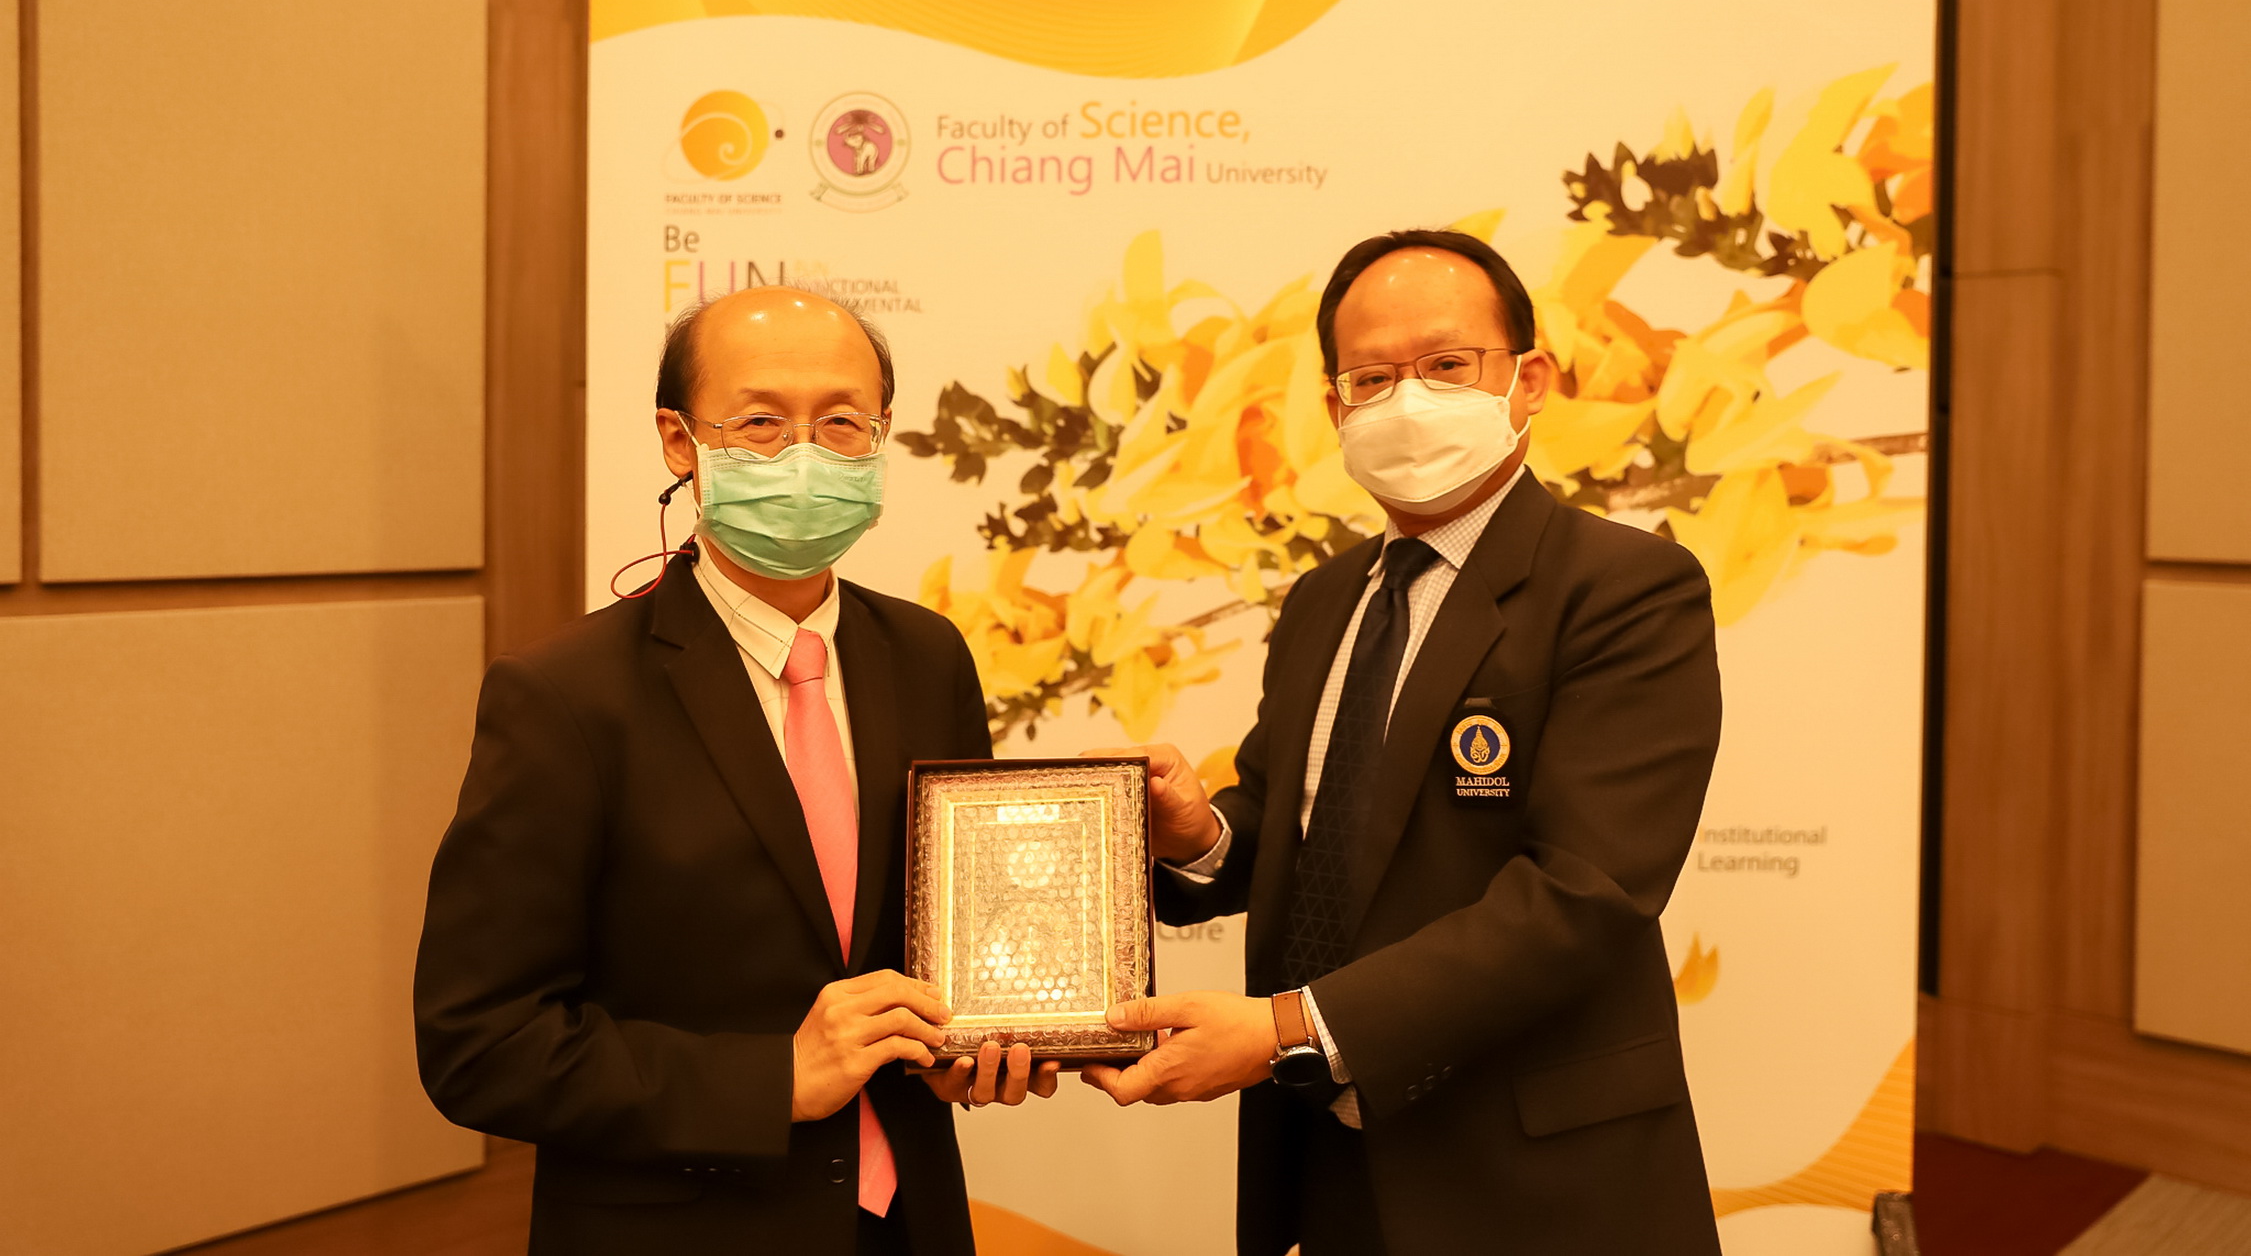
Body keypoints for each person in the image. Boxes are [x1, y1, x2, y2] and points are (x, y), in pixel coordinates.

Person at [1080, 230, 1725, 1255]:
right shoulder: (1323, 600)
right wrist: (1200, 834)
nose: (1407, 401)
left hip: (1534, 1179)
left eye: (1445, 365)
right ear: (1336, 408)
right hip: (1330, 1160)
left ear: (1527, 380)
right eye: (1373, 378)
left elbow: (1584, 895)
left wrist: (1285, 1028)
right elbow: (1303, 823)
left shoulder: (1623, 588)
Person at [414, 287, 1054, 1256]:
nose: (804, 454)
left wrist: (966, 1045)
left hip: (908, 1222)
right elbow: (480, 1045)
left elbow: (948, 949)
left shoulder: (928, 657)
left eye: (840, 423)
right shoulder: (565, 697)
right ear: (680, 441)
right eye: (760, 423)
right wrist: (773, 1080)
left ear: (880, 436)